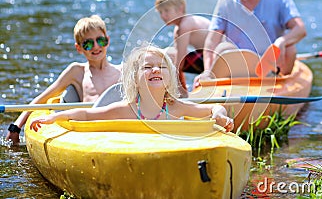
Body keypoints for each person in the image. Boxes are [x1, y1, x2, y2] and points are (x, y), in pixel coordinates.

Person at [29, 44, 234, 132]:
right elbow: (86, 114)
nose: (155, 70)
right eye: (147, 67)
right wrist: (54, 117)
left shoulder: (176, 107)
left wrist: (220, 115)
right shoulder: (126, 109)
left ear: (169, 76)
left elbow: (213, 108)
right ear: (135, 79)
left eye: (161, 67)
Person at [194, 0, 306, 86]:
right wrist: (207, 72)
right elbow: (212, 42)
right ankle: (217, 88)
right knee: (222, 48)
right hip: (236, 66)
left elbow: (300, 29)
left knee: (290, 47)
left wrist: (281, 42)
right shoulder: (226, 1)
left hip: (270, 67)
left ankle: (279, 85)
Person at [6, 15, 122, 145]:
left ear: (108, 40)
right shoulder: (77, 72)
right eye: (88, 44)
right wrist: (16, 126)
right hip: (91, 130)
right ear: (79, 48)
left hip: (120, 126)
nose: (96, 46)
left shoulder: (123, 71)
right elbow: (42, 99)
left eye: (100, 40)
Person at [155, 0, 211, 97]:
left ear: (180, 8)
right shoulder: (180, 27)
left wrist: (173, 80)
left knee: (169, 55)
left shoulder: (185, 25)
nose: (163, 15)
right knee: (170, 54)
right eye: (160, 12)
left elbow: (180, 59)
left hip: (215, 60)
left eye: (166, 10)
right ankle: (181, 91)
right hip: (208, 58)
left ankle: (180, 93)